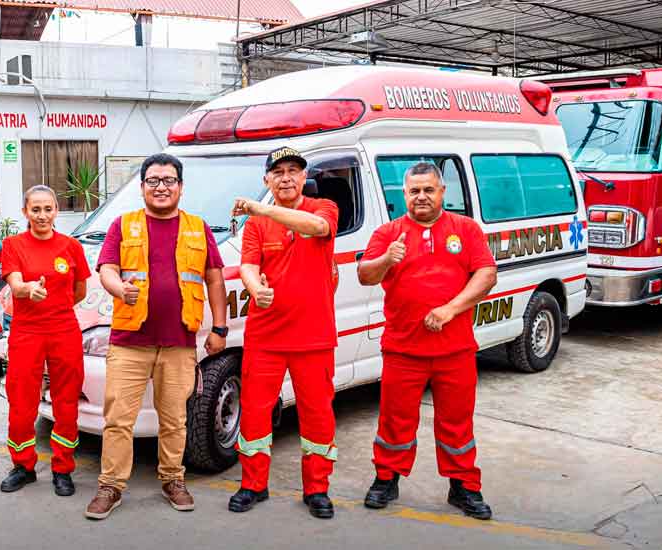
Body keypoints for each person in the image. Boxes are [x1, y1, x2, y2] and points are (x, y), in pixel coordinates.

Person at [84, 153, 228, 520]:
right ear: (142, 186)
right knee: (118, 419)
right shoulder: (123, 224)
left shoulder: (198, 228)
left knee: (175, 419)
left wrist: (220, 328)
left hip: (179, 342)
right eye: (153, 181)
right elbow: (107, 270)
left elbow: (214, 278)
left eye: (168, 181)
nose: (160, 187)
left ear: (180, 186)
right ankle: (111, 486)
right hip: (129, 341)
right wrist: (119, 290)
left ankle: (172, 480)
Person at [357, 161, 497, 520]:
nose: (421, 196)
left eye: (428, 189)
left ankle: (463, 485)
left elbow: (487, 273)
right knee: (394, 421)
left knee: (457, 422)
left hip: (455, 350)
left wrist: (451, 309)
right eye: (414, 190)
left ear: (442, 192)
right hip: (403, 349)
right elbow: (364, 275)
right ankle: (386, 478)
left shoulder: (465, 229)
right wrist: (388, 258)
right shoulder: (389, 233)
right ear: (404, 194)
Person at [228, 146, 340, 520]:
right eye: (278, 172)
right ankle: (253, 485)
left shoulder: (324, 208)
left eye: (294, 170)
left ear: (304, 177)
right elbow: (247, 264)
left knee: (318, 415)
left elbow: (317, 229)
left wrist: (258, 206)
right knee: (255, 414)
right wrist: (253, 287)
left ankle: (317, 490)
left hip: (314, 337)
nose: (287, 177)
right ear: (267, 180)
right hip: (266, 336)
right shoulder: (256, 226)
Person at [0, 185, 91, 497]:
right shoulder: (12, 245)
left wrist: (56, 306)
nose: (42, 215)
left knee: (66, 402)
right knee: (22, 401)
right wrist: (26, 290)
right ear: (25, 212)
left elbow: (80, 290)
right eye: (35, 209)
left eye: (47, 209)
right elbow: (13, 281)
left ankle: (63, 468)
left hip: (64, 329)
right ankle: (23, 466)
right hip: (27, 331)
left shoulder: (70, 246)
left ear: (56, 211)